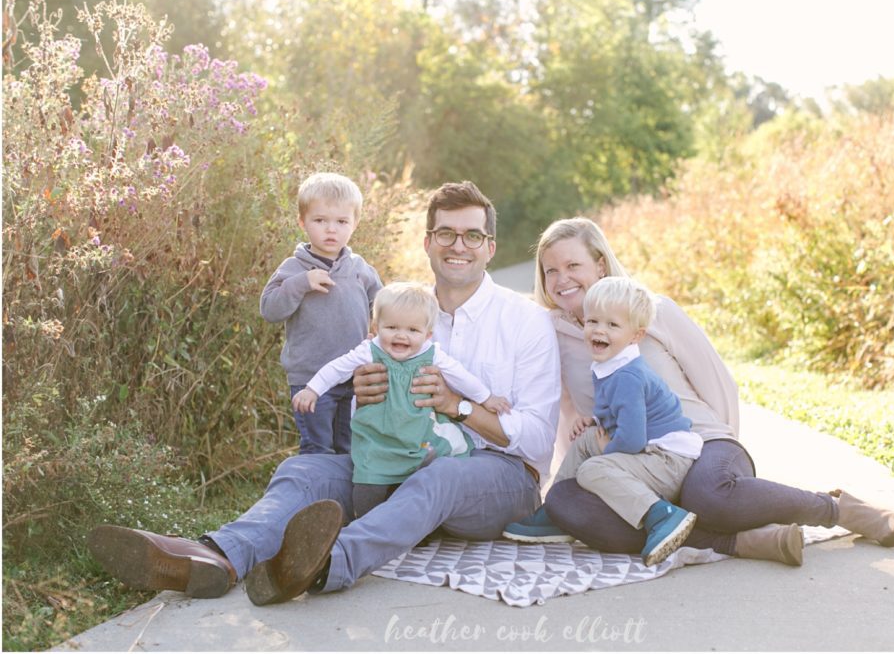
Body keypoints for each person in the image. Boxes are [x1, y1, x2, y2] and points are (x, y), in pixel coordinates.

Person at [88, 180, 561, 606]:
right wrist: (365, 394)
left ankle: (325, 564)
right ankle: (217, 557)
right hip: (398, 458)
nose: (458, 246)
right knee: (307, 468)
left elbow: (537, 441)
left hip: (497, 477)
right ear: (427, 242)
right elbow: (363, 412)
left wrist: (457, 406)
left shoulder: (525, 321)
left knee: (440, 480)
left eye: (472, 235)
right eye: (446, 234)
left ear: (490, 246)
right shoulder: (399, 311)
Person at [532, 217, 894, 567]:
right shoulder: (556, 336)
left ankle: (837, 509)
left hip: (699, 446)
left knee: (708, 496)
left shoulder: (654, 312)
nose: (561, 278)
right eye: (551, 270)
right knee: (566, 502)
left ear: (599, 264)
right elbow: (571, 413)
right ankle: (746, 541)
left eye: (572, 266)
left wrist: (716, 455)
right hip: (632, 463)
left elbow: (716, 382)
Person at [504, 276, 703, 566]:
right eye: (593, 321)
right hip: (650, 451)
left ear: (636, 336)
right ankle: (553, 514)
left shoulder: (627, 377)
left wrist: (607, 453)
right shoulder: (610, 365)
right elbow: (623, 411)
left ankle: (660, 514)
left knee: (592, 469)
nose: (599, 330)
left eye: (612, 325)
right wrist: (594, 420)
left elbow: (632, 440)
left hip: (666, 460)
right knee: (588, 440)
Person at [292, 281, 512, 518]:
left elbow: (461, 377)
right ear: (376, 327)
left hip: (415, 439)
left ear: (427, 334)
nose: (401, 335)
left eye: (412, 330)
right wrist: (312, 389)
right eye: (392, 327)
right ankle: (364, 524)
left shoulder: (432, 354)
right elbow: (337, 369)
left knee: (415, 490)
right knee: (367, 493)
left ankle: (414, 528)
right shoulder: (369, 350)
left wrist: (486, 398)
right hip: (376, 440)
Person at [260, 172, 382, 455]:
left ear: (355, 224)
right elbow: (269, 309)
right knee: (318, 448)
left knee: (349, 447)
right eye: (320, 220)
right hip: (311, 379)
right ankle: (316, 495)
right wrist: (302, 284)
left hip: (354, 376)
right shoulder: (294, 268)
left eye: (341, 222)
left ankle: (344, 498)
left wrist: (379, 326)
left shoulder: (359, 268)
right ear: (302, 222)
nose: (331, 230)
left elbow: (382, 303)